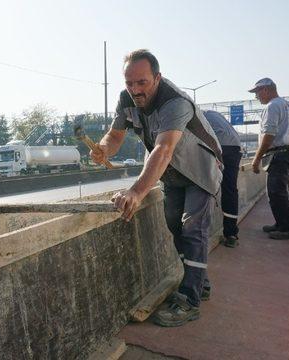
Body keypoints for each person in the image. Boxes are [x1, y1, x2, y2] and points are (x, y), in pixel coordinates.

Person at [90, 49, 223, 327]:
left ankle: (189, 299)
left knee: (192, 228)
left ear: (157, 78)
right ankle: (199, 283)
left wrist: (136, 191)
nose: (135, 90)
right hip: (173, 174)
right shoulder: (126, 99)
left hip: (200, 169)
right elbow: (115, 135)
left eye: (142, 83)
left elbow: (162, 149)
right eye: (129, 83)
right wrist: (103, 149)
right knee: (175, 226)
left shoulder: (175, 101)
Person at [248, 78, 289, 240]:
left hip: (280, 154)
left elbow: (268, 135)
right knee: (275, 192)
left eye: (257, 92)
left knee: (276, 193)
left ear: (266, 90)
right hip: (288, 152)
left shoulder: (272, 106)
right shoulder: (288, 105)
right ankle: (281, 224)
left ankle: (288, 229)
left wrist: (256, 159)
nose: (257, 97)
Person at [203, 110, 242, 248]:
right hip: (235, 147)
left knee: (202, 186)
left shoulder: (193, 115)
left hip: (218, 147)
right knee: (230, 190)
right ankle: (231, 234)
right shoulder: (214, 114)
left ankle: (200, 236)